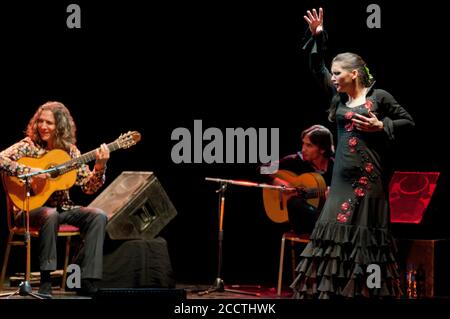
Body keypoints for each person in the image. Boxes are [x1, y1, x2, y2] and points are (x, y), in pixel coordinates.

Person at [290, 8, 415, 299]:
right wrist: (319, 37)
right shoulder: (338, 99)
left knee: (366, 246)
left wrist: (380, 126)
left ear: (354, 73)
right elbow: (314, 66)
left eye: (337, 73)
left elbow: (409, 122)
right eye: (332, 74)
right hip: (340, 184)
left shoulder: (379, 98)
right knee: (330, 241)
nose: (332, 78)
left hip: (369, 182)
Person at [0, 101, 110, 297]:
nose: (43, 126)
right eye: (40, 121)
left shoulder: (71, 152)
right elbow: (0, 159)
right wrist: (31, 171)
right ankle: (45, 281)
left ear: (60, 126)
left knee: (98, 216)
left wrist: (100, 167)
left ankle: (87, 279)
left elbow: (88, 186)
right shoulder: (28, 146)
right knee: (49, 215)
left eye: (49, 123)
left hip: (63, 209)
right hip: (29, 210)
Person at [262, 125, 335, 234]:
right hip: (302, 222)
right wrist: (278, 183)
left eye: (309, 145)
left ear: (323, 149)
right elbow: (261, 169)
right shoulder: (294, 161)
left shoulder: (335, 167)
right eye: (303, 144)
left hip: (327, 216)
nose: (303, 149)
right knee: (294, 202)